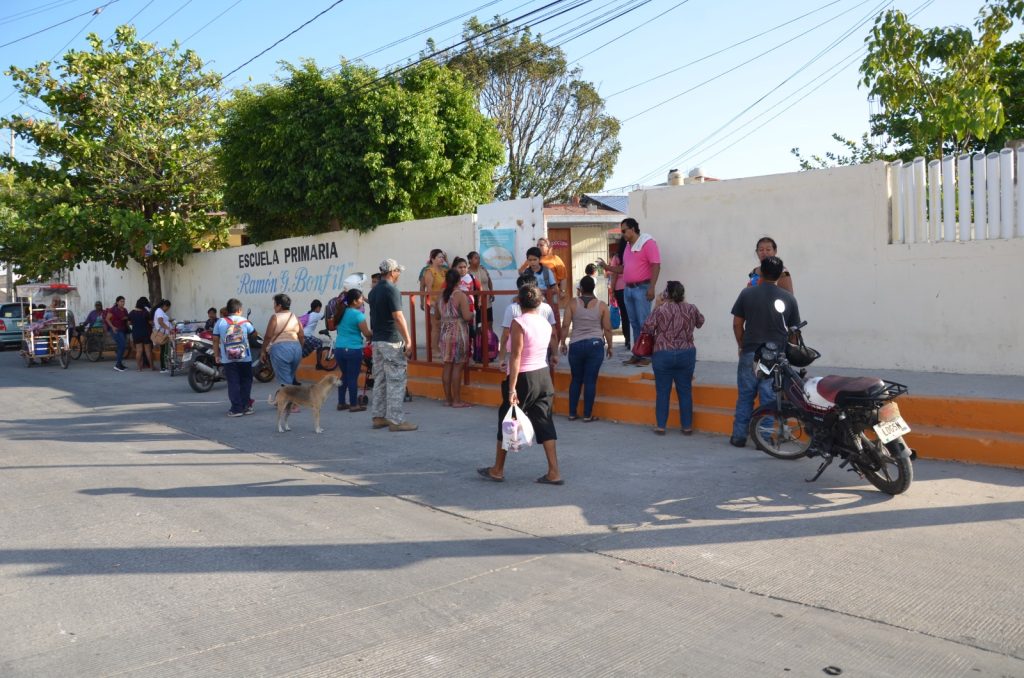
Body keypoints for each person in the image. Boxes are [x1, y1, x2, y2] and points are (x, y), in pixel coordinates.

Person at [478, 284, 563, 485]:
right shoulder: (544, 322)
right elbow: (552, 340)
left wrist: (512, 387)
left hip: (524, 377)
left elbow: (515, 356)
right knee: (545, 422)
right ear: (539, 301)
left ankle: (497, 469)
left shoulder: (519, 322)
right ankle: (554, 471)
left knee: (507, 421)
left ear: (519, 302)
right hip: (543, 376)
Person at [729, 256, 800, 447]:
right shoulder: (788, 298)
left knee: (745, 395)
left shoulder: (747, 294)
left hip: (750, 351)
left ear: (761, 270)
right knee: (769, 398)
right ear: (779, 274)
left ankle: (738, 436)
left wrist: (742, 345)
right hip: (775, 355)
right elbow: (794, 333)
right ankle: (764, 438)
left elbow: (737, 324)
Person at [641, 281, 705, 435]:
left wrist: (656, 304)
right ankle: (687, 426)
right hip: (686, 352)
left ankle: (661, 426)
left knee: (663, 391)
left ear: (666, 293)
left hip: (663, 353)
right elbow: (700, 322)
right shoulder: (691, 308)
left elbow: (647, 328)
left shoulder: (660, 310)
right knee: (685, 390)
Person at [596, 218, 660, 366]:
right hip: (628, 289)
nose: (622, 234)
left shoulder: (648, 243)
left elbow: (656, 265)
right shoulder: (628, 247)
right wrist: (607, 266)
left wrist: (652, 287)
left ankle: (647, 356)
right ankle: (638, 353)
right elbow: (623, 269)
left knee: (644, 323)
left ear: (632, 229)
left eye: (624, 231)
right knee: (634, 323)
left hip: (642, 288)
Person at [368, 258, 417, 432]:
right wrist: (409, 339)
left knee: (380, 379)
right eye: (398, 271)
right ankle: (396, 420)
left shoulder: (373, 292)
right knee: (396, 380)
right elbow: (398, 317)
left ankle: (378, 416)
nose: (399, 274)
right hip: (391, 340)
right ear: (392, 272)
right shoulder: (392, 290)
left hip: (378, 341)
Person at [560, 275, 613, 422]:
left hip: (576, 344)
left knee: (576, 379)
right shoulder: (602, 305)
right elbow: (607, 329)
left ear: (580, 289)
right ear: (593, 288)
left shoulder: (572, 304)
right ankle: (587, 415)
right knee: (590, 380)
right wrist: (610, 346)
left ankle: (572, 413)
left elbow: (565, 325)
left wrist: (562, 342)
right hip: (595, 345)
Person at [497, 273, 558, 371]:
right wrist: (555, 354)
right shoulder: (546, 308)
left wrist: (501, 358)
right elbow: (553, 334)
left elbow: (506, 335)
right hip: (541, 364)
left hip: (517, 364)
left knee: (514, 386)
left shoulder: (512, 309)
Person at [212, 297, 256, 417]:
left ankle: (236, 409)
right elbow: (254, 336)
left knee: (233, 383)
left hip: (228, 359)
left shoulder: (220, 322)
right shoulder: (245, 322)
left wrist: (216, 355)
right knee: (246, 381)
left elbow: (215, 340)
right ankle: (246, 406)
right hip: (245, 358)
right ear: (239, 310)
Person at [439, 268, 474, 408]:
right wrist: (473, 313)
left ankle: (448, 399)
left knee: (447, 366)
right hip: (458, 331)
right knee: (458, 366)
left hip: (444, 331)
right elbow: (466, 316)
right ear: (459, 281)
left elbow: (436, 315)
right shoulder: (459, 295)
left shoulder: (442, 295)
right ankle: (457, 400)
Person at [333, 288, 372, 412]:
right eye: (361, 299)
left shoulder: (341, 312)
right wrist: (372, 334)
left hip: (339, 349)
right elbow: (366, 333)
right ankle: (354, 404)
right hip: (353, 349)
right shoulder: (358, 315)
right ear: (355, 301)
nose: (362, 301)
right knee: (352, 377)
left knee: (344, 375)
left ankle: (341, 403)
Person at [262, 293, 304, 390]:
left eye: (274, 304)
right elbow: (301, 335)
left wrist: (263, 351)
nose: (273, 307)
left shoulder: (275, 317)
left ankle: (289, 403)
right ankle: (288, 400)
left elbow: (268, 336)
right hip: (296, 348)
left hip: (280, 349)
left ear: (279, 306)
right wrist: (300, 348)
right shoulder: (295, 317)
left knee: (286, 381)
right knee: (290, 376)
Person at [419, 248, 448, 356]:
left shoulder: (444, 270)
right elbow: (428, 288)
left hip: (445, 302)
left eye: (442, 257)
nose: (442, 259)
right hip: (435, 303)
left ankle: (441, 348)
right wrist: (430, 302)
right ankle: (434, 349)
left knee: (443, 326)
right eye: (439, 257)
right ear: (432, 259)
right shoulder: (429, 271)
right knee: (436, 326)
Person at [608, 236, 631, 351]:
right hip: (630, 286)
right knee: (632, 315)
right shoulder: (631, 256)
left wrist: (611, 290)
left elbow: (614, 275)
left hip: (619, 289)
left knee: (624, 315)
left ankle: (627, 339)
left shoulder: (617, 257)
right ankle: (632, 339)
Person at [467, 250, 493, 331]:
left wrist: (492, 292)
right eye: (476, 258)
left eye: (479, 258)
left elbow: (489, 281)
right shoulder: (467, 272)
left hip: (487, 300)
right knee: (478, 325)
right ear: (470, 260)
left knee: (489, 323)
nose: (478, 260)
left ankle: (490, 342)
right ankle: (479, 343)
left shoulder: (483, 269)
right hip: (476, 302)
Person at [127, 297, 155, 372]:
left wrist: (135, 323)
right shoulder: (145, 312)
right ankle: (152, 367)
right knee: (148, 351)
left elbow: (129, 323)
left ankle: (139, 368)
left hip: (136, 333)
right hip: (146, 333)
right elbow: (151, 323)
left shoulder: (132, 313)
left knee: (139, 351)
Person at [105, 296, 130, 372]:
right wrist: (112, 327)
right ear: (117, 302)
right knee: (122, 346)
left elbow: (126, 319)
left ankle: (120, 364)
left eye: (123, 301)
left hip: (123, 330)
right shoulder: (113, 310)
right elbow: (107, 319)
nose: (123, 303)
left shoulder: (124, 310)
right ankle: (117, 365)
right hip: (116, 330)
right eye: (121, 301)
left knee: (121, 347)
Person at [152, 299, 173, 373]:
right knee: (164, 351)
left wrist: (169, 321)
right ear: (165, 306)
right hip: (162, 334)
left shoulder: (160, 311)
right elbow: (160, 322)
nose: (168, 309)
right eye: (168, 308)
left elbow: (163, 321)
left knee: (164, 350)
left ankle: (164, 366)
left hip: (164, 333)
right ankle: (163, 367)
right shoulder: (159, 311)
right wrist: (168, 328)